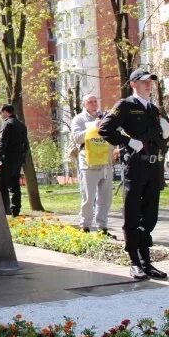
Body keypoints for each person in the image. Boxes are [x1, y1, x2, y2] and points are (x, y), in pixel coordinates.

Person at [98, 68, 169, 280]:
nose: (148, 85)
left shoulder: (154, 109)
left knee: (149, 216)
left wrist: (164, 133)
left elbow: (160, 138)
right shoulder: (126, 105)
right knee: (132, 213)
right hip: (135, 166)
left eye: (151, 81)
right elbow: (105, 129)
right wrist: (127, 141)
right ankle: (134, 261)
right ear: (133, 84)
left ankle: (147, 262)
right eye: (144, 81)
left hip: (153, 167)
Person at [71, 94, 113, 236]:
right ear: (84, 104)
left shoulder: (105, 117)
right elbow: (76, 138)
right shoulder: (79, 119)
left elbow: (114, 134)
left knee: (105, 197)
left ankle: (103, 227)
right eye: (90, 102)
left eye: (96, 101)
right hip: (89, 163)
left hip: (105, 162)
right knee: (88, 197)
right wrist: (92, 128)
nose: (94, 104)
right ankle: (85, 226)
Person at [0, 104, 29, 217]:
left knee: (1, 184)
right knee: (15, 185)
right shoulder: (22, 125)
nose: (0, 115)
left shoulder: (7, 124)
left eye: (0, 113)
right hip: (17, 160)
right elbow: (26, 145)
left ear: (5, 112)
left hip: (7, 158)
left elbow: (2, 143)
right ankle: (15, 211)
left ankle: (4, 210)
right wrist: (21, 159)